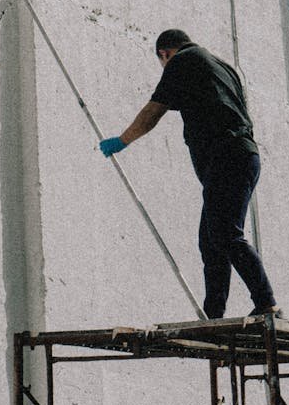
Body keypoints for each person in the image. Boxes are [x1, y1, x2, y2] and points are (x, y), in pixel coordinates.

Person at [98, 28, 276, 319]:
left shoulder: (182, 61)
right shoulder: (221, 66)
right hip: (240, 156)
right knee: (211, 239)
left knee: (225, 234)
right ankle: (214, 314)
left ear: (164, 54)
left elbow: (154, 111)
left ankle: (267, 302)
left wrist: (123, 140)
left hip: (226, 157)